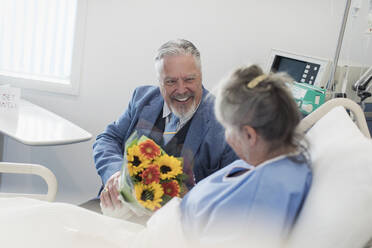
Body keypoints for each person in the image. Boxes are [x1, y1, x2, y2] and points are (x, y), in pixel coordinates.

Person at [91, 39, 237, 212]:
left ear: (200, 75)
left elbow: (231, 192)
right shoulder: (141, 97)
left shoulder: (227, 122)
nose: (182, 90)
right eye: (171, 82)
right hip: (115, 208)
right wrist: (114, 174)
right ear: (159, 82)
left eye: (189, 79)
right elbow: (107, 138)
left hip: (176, 227)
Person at [180, 65, 313, 247]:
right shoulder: (274, 163)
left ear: (250, 135)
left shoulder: (258, 201)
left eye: (227, 128)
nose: (226, 137)